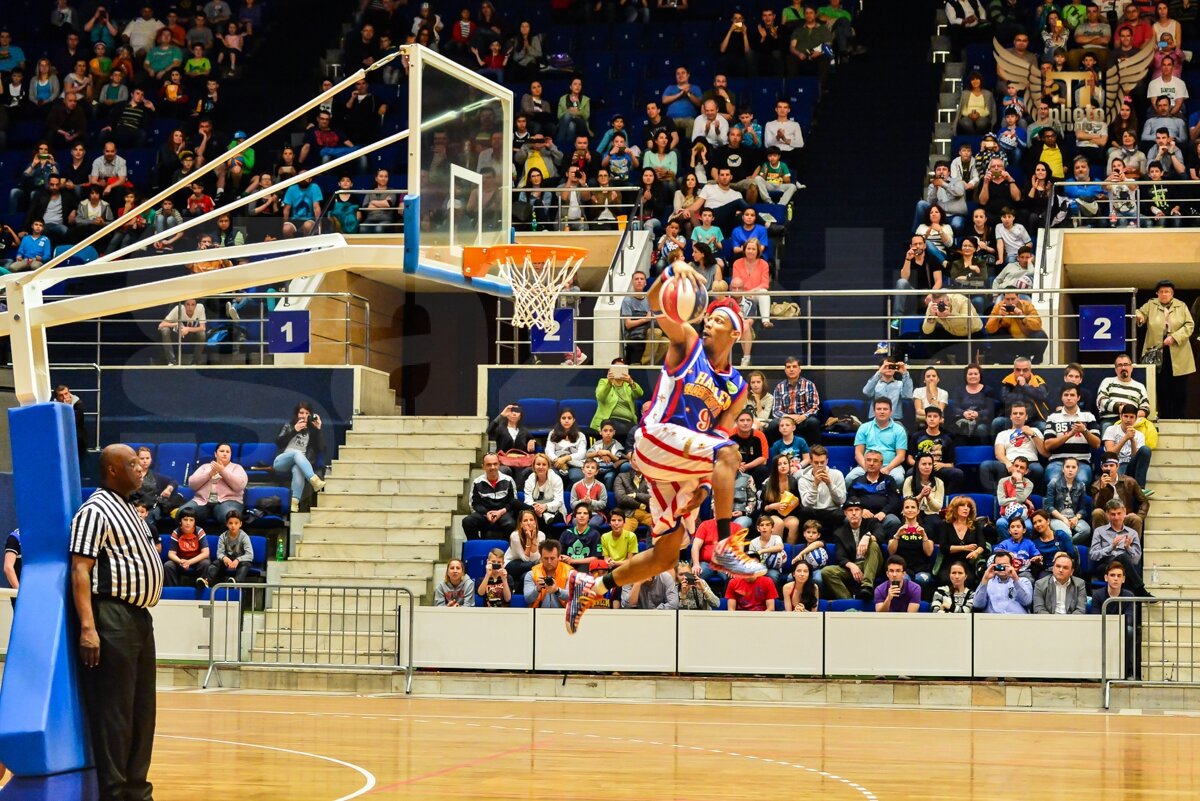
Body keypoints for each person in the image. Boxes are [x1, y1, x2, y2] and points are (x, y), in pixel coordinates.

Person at [567, 268, 763, 633]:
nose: (708, 324)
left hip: (683, 459)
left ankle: (592, 587)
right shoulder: (688, 342)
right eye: (709, 317)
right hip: (655, 439)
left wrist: (702, 489)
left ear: (735, 333)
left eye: (718, 320)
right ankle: (725, 544)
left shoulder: (736, 386)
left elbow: (719, 438)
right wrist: (669, 273)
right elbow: (657, 306)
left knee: (666, 555)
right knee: (729, 452)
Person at [70, 444, 163, 801]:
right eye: (133, 464)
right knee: (115, 713)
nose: (141, 468)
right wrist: (89, 628)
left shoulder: (129, 508)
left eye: (141, 463)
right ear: (112, 470)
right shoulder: (95, 510)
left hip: (139, 618)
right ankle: (115, 793)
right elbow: (80, 569)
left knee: (142, 712)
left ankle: (138, 791)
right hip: (111, 617)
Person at [1135, 279, 1193, 419]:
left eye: (1167, 291)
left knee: (1179, 388)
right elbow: (1138, 312)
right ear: (1157, 293)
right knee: (1161, 387)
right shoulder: (1151, 304)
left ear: (1172, 294)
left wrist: (1174, 337)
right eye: (1161, 291)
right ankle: (1165, 417)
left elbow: (1189, 325)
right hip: (1157, 352)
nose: (1164, 294)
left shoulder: (1181, 305)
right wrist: (1140, 316)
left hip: (1178, 351)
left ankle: (1179, 417)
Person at [820, 498, 884, 602]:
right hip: (856, 566)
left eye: (857, 510)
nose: (854, 513)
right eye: (850, 510)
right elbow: (840, 555)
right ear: (845, 513)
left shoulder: (871, 523)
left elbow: (881, 535)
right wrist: (851, 565)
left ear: (862, 512)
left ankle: (867, 586)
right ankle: (849, 602)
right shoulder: (839, 532)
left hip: (873, 563)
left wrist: (867, 537)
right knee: (827, 572)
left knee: (873, 544)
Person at [273, 401, 326, 513]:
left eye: (307, 413)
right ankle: (314, 479)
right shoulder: (289, 426)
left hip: (299, 463)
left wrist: (318, 429)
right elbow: (279, 442)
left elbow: (320, 448)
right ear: (297, 414)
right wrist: (294, 430)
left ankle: (295, 502)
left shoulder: (312, 430)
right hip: (282, 461)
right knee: (297, 453)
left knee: (298, 469)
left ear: (310, 415)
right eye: (301, 412)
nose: (304, 415)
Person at [1043, 384, 1100, 487]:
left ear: (1078, 397)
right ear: (1062, 397)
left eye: (1072, 395)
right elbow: (1048, 445)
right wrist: (1069, 435)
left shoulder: (1088, 416)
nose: (1069, 398)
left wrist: (1084, 431)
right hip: (1058, 461)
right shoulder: (1053, 417)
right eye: (1066, 395)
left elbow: (1096, 444)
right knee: (1053, 482)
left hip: (1081, 462)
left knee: (1081, 482)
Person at [1090, 499, 1148, 595]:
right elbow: (1093, 555)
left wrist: (1128, 547)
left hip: (1125, 568)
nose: (1116, 517)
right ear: (1107, 515)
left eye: (1119, 513)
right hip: (1106, 567)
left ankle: (1126, 605)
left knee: (1124, 562)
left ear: (1124, 512)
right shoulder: (1099, 531)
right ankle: (1140, 590)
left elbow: (1136, 560)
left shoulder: (1132, 533)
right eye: (1113, 514)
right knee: (1123, 558)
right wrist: (1111, 547)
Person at [178, 443, 246, 525]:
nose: (225, 453)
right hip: (202, 501)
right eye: (222, 451)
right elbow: (192, 484)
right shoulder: (205, 467)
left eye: (228, 452)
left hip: (228, 501)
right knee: (182, 513)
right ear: (215, 454)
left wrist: (222, 471)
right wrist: (209, 474)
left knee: (229, 516)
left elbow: (239, 486)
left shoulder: (237, 468)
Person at [846, 397, 908, 485]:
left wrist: (887, 469)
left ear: (891, 412)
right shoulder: (864, 427)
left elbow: (901, 456)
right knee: (849, 479)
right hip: (866, 466)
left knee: (899, 479)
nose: (882, 411)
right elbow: (858, 453)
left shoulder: (899, 430)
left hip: (891, 467)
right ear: (874, 412)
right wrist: (866, 467)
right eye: (879, 409)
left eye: (885, 409)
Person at [1091, 456, 1150, 538]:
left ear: (1117, 466)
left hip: (1125, 517)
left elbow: (1144, 501)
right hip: (1108, 517)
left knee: (1135, 518)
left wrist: (1140, 516)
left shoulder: (1129, 481)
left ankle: (1133, 549)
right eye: (1106, 466)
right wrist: (1102, 489)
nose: (1109, 468)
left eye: (1111, 465)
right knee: (1097, 512)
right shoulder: (1096, 485)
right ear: (1102, 467)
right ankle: (1101, 546)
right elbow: (1096, 506)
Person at [463, 453, 518, 540]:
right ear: (483, 467)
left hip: (503, 512)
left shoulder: (508, 480)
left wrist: (500, 512)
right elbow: (474, 503)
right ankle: (478, 546)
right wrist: (486, 513)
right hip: (484, 513)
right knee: (467, 522)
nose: (492, 467)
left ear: (499, 465)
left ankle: (504, 549)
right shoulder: (477, 482)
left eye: (495, 464)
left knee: (510, 524)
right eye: (489, 465)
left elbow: (513, 502)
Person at [770, 356, 822, 445]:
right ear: (785, 370)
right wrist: (787, 417)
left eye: (794, 366)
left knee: (813, 422)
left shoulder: (809, 384)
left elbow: (815, 406)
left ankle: (815, 452)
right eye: (788, 367)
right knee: (772, 425)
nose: (791, 369)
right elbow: (776, 410)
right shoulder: (779, 387)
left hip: (803, 420)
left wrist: (804, 416)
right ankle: (775, 454)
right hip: (786, 420)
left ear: (799, 369)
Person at [1104, 404, 1152, 489]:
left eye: (1131, 417)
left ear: (1135, 419)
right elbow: (1110, 454)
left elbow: (1135, 456)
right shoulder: (1111, 429)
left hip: (1131, 465)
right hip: (1115, 463)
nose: (1128, 420)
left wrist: (1132, 440)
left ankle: (1140, 488)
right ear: (1121, 416)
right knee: (1121, 484)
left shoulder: (1140, 435)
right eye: (1125, 416)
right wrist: (1125, 438)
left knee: (1146, 450)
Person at [1044, 457, 1091, 543]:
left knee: (1086, 530)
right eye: (1067, 467)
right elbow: (1048, 507)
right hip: (1057, 517)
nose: (1070, 470)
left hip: (1073, 517)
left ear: (1077, 470)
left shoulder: (1081, 485)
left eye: (1073, 467)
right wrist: (1063, 519)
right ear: (1063, 469)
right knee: (1067, 534)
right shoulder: (1053, 483)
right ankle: (1070, 549)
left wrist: (1076, 518)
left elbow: (1083, 509)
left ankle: (1066, 547)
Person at [1096, 354, 1150, 426]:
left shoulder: (1140, 386)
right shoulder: (1108, 381)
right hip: (1111, 419)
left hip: (1133, 420)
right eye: (1120, 365)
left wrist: (1130, 413)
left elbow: (1145, 408)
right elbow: (1100, 401)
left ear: (1131, 367)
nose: (1123, 367)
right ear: (1115, 369)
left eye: (1126, 364)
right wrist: (1121, 408)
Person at [205, 510, 253, 586]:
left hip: (240, 561)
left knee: (246, 564)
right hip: (227, 561)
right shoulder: (223, 536)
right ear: (227, 524)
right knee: (216, 563)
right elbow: (219, 553)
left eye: (236, 523)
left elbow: (250, 555)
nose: (233, 525)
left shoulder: (244, 537)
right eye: (230, 523)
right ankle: (206, 581)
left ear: (240, 524)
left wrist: (238, 560)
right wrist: (224, 558)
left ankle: (235, 582)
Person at [593, 364, 642, 437]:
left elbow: (639, 394)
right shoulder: (604, 382)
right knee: (622, 428)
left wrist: (631, 382)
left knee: (638, 431)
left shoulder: (627, 385)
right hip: (610, 420)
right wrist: (609, 382)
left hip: (628, 421)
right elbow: (600, 396)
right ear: (610, 371)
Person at [523, 540, 572, 608]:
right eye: (546, 558)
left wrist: (557, 590)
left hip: (563, 614)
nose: (549, 562)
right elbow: (528, 599)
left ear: (558, 557)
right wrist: (537, 589)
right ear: (541, 558)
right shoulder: (531, 574)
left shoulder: (570, 573)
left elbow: (572, 597)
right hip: (538, 614)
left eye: (552, 558)